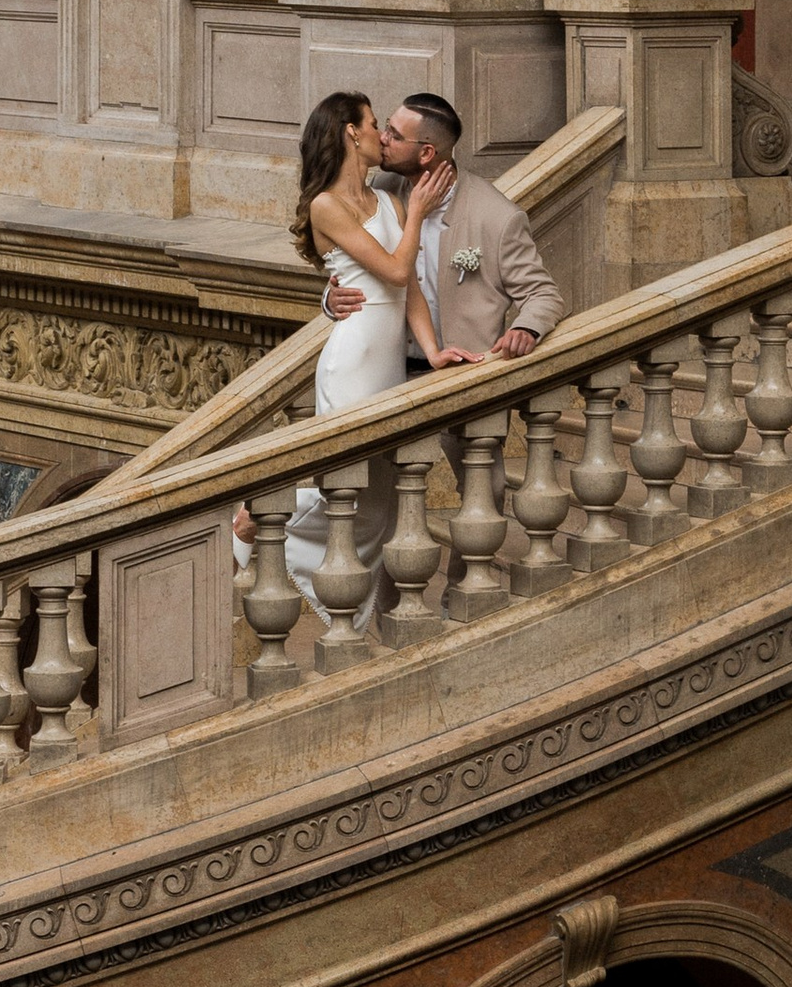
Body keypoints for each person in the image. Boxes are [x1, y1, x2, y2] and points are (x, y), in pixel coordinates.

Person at [241, 91, 461, 628]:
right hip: (352, 360)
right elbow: (391, 269)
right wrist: (419, 217)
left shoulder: (387, 200)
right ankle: (251, 527)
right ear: (348, 133)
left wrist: (432, 352)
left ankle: (354, 617)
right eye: (371, 123)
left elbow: (406, 286)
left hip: (387, 365)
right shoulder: (326, 206)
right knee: (340, 483)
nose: (378, 133)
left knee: (382, 508)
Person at [322, 93, 563, 363]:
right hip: (386, 367)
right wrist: (331, 299)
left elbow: (543, 293)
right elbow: (362, 264)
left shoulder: (498, 217)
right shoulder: (382, 190)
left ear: (426, 153)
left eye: (395, 135)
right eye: (386, 126)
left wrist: (524, 328)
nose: (382, 139)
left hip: (462, 377)